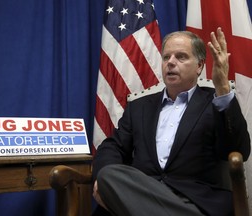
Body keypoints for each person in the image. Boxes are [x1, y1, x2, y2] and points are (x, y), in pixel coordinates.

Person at [91, 27, 251, 216]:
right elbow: (112, 147)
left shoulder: (215, 102)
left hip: (192, 200)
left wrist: (223, 89)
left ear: (199, 66)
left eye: (181, 57)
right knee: (109, 174)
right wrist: (103, 181)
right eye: (166, 57)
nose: (171, 63)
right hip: (141, 196)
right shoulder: (139, 107)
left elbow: (238, 150)